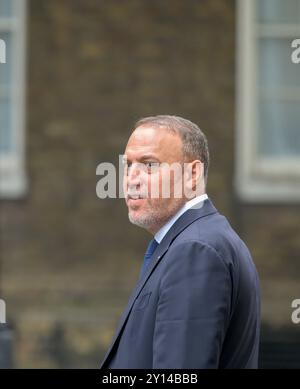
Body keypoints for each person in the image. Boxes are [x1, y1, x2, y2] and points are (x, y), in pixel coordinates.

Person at [100, 115, 260, 369]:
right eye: (128, 165)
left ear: (192, 174)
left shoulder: (196, 251)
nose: (131, 178)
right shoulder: (193, 241)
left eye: (149, 165)